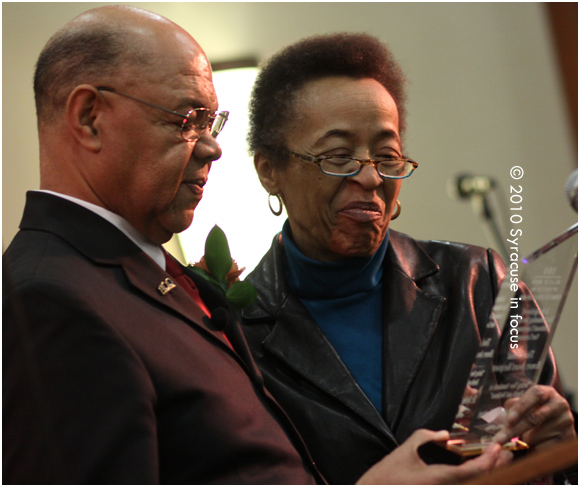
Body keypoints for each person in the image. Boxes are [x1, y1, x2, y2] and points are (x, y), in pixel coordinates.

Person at [2, 7, 509, 485]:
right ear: (90, 117)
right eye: (186, 119)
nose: (212, 147)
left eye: (211, 123)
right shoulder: (48, 298)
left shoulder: (136, 275)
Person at [241, 33, 576, 484]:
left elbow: (536, 458)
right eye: (339, 157)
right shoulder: (235, 331)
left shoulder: (479, 283)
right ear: (269, 170)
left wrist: (557, 451)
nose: (370, 176)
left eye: (387, 155)